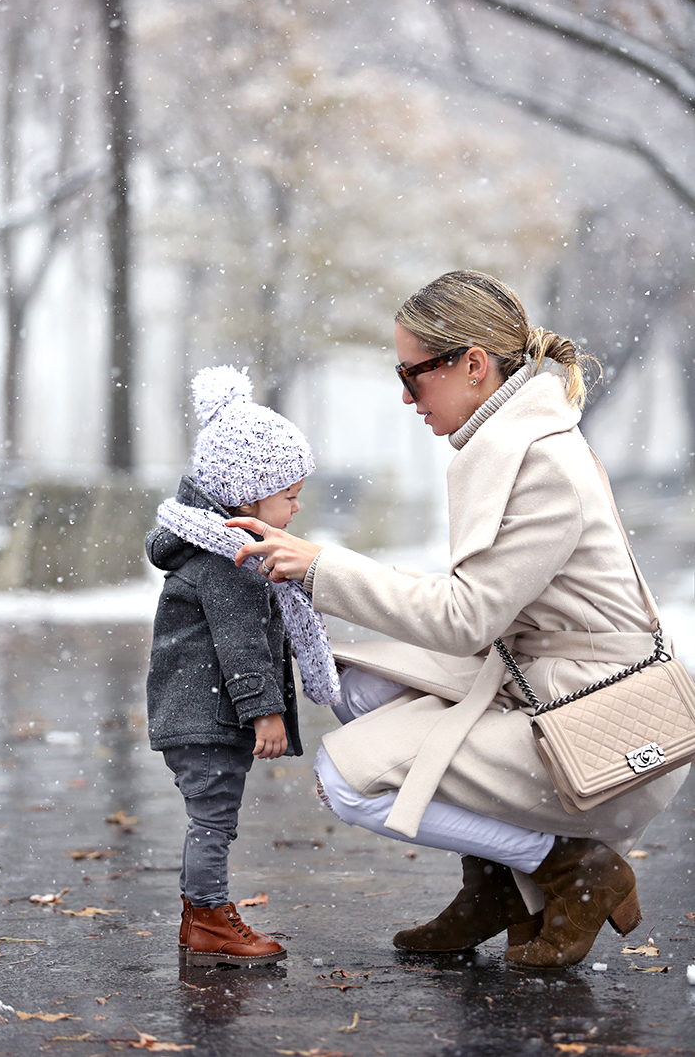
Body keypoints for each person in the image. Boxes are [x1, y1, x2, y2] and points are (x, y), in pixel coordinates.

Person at [228, 270, 689, 969]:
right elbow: (478, 595)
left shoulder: (539, 462)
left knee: (346, 780)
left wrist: (320, 568)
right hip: (544, 675)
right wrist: (318, 570)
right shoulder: (515, 441)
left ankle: (569, 867)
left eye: (413, 374)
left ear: (474, 364)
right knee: (356, 687)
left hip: (595, 719)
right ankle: (496, 884)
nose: (405, 395)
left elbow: (468, 615)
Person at [145, 365, 336, 967]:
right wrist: (266, 715)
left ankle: (201, 914)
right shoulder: (230, 563)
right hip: (207, 715)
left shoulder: (211, 551)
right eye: (289, 494)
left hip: (196, 711)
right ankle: (207, 918)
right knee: (213, 820)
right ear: (249, 493)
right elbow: (241, 646)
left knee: (212, 817)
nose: (297, 506)